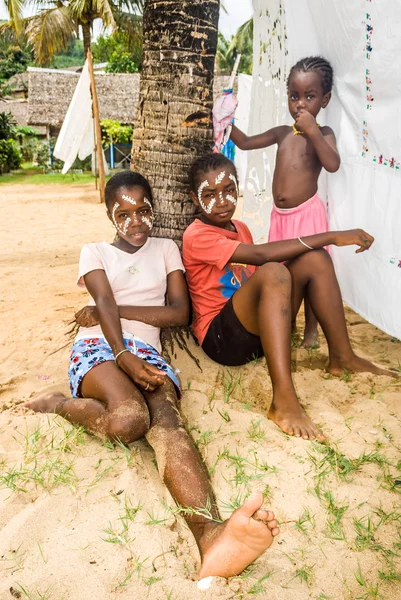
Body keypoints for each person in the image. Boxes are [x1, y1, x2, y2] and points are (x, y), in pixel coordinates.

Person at [24, 170, 279, 580]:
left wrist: (120, 323)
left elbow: (178, 313)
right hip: (100, 347)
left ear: (154, 209)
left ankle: (209, 533)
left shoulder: (165, 249)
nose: (136, 221)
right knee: (128, 419)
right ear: (109, 214)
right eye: (123, 214)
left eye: (143, 210)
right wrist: (122, 352)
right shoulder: (94, 252)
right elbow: (102, 298)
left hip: (147, 351)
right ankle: (60, 403)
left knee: (167, 422)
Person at [182, 154, 395, 442]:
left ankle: (342, 357)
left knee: (315, 260)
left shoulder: (240, 228)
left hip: (260, 333)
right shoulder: (197, 235)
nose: (221, 201)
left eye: (229, 190)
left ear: (237, 188)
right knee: (273, 271)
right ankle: (282, 401)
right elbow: (261, 257)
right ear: (195, 200)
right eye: (209, 195)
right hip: (222, 341)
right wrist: (331, 236)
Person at [230, 56, 340, 348]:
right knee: (284, 271)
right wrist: (225, 120)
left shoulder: (324, 134)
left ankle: (312, 330)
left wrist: (314, 131)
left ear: (324, 100)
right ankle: (288, 323)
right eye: (294, 96)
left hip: (307, 215)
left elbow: (333, 164)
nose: (300, 104)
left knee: (313, 272)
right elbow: (244, 143)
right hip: (280, 217)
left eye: (309, 96)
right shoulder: (281, 133)